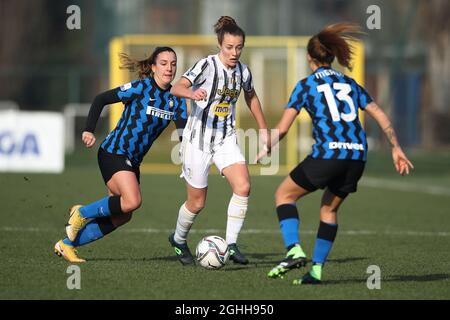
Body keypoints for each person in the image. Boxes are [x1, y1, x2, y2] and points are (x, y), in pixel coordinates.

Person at [256, 23, 414, 284]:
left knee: (284, 195)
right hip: (357, 157)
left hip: (329, 154)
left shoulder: (305, 86)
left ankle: (293, 250)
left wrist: (267, 145)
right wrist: (396, 147)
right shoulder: (350, 83)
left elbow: (282, 129)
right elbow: (380, 115)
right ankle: (316, 271)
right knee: (328, 211)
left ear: (310, 58)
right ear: (331, 56)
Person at [54, 47, 187, 263]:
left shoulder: (177, 99)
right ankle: (82, 213)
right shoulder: (140, 87)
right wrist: (89, 129)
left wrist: (187, 152)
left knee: (123, 214)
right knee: (133, 200)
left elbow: (183, 132)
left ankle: (67, 245)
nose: (169, 68)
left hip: (132, 162)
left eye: (173, 63)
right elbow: (100, 99)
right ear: (153, 67)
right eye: (163, 63)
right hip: (113, 151)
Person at [168, 16, 269, 265]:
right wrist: (192, 93)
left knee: (243, 186)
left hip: (225, 138)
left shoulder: (243, 71)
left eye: (239, 47)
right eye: (229, 47)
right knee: (197, 203)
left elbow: (251, 96)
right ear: (220, 45)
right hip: (197, 141)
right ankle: (179, 240)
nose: (234, 53)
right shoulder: (206, 66)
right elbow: (175, 87)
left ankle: (231, 245)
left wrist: (264, 129)